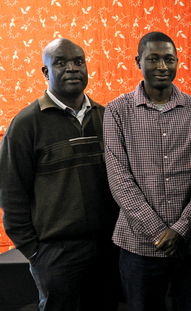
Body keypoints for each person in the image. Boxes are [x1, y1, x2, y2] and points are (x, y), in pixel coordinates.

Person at [0, 38, 121, 311]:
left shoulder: (107, 118)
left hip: (107, 249)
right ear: (45, 72)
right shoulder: (25, 125)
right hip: (55, 254)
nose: (72, 68)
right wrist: (35, 252)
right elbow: (11, 194)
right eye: (61, 62)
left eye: (79, 61)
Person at [104, 32, 191, 311]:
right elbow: (119, 181)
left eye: (169, 59)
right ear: (138, 61)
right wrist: (160, 233)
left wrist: (181, 230)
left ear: (178, 62)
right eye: (153, 59)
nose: (162, 66)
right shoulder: (117, 111)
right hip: (138, 245)